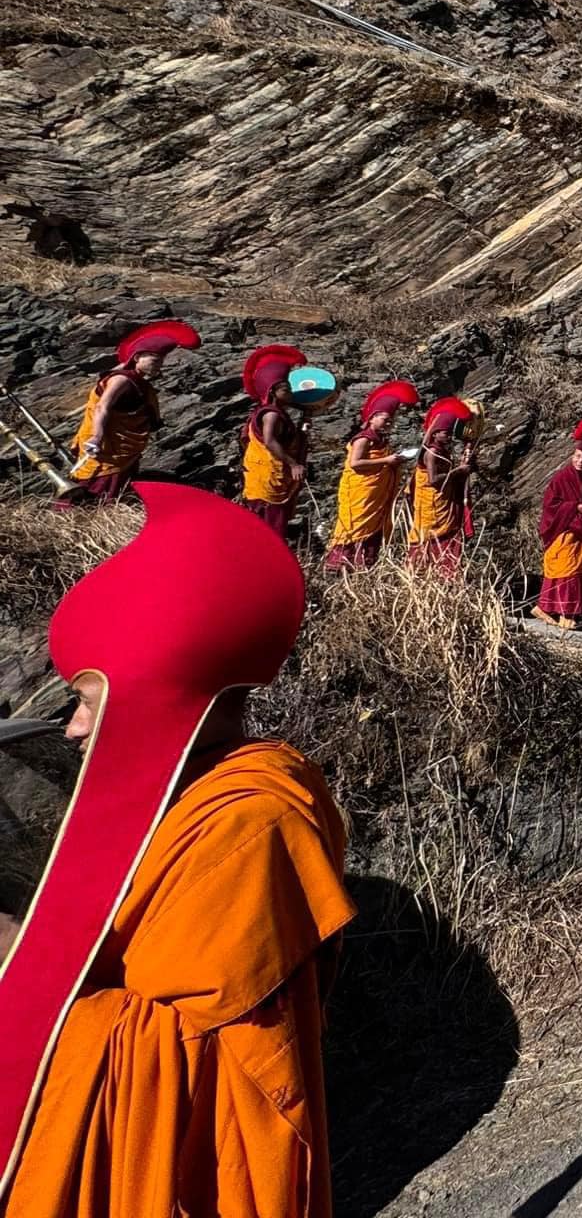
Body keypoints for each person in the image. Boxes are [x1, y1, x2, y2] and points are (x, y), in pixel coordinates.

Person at [0, 483, 353, 1218]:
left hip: (193, 1177)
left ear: (153, 690)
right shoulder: (178, 796)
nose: (71, 729)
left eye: (88, 699)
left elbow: (175, 1059)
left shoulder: (253, 822)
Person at [62, 319, 198, 505]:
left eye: (161, 361)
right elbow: (103, 406)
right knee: (95, 487)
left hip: (124, 451)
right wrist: (97, 436)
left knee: (119, 487)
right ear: (137, 358)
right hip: (107, 449)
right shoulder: (122, 381)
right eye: (155, 360)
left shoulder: (136, 379)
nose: (159, 366)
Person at [324, 379, 419, 570]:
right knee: (354, 527)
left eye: (391, 420)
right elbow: (356, 464)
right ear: (373, 417)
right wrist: (386, 461)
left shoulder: (380, 440)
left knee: (373, 530)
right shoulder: (363, 439)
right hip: (360, 494)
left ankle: (363, 566)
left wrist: (395, 461)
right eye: (385, 419)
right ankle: (340, 565)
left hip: (375, 496)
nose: (388, 423)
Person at [535, 418, 582, 629]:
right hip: (565, 531)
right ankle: (557, 610)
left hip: (581, 533)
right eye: (578, 456)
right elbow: (551, 505)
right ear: (572, 456)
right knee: (565, 572)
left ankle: (569, 613)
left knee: (577, 572)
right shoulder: (562, 478)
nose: (581, 461)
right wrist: (576, 508)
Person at [238, 345, 310, 538]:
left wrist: (302, 429)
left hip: (269, 476)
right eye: (286, 389)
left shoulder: (276, 413)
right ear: (272, 392)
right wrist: (293, 464)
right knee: (269, 526)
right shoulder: (271, 415)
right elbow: (270, 442)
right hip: (268, 478)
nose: (291, 393)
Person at [408, 396, 475, 576]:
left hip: (442, 501)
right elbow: (433, 480)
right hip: (432, 505)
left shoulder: (442, 450)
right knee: (430, 537)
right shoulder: (431, 453)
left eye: (450, 434)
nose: (449, 437)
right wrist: (458, 472)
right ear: (436, 433)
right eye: (446, 433)